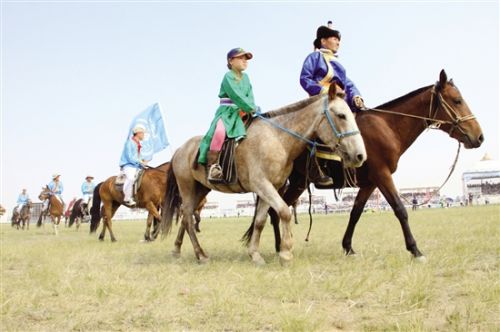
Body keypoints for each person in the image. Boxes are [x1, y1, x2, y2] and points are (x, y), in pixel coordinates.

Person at [299, 22, 366, 186]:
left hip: (338, 102)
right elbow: (305, 79)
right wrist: (325, 91)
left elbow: (348, 84)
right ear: (323, 41)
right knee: (315, 128)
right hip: (320, 101)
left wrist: (356, 96)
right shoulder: (314, 57)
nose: (338, 42)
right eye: (334, 38)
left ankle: (351, 165)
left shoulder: (339, 65)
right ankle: (315, 168)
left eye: (338, 40)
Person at [198, 47, 257, 181]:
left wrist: (253, 108)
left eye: (246, 59)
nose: (245, 61)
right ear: (231, 61)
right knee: (219, 132)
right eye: (241, 58)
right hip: (228, 113)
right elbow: (236, 95)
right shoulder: (228, 76)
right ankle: (213, 166)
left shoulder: (246, 77)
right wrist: (249, 107)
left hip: (244, 111)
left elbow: (250, 95)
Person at [119, 124, 148, 206]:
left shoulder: (138, 144)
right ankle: (127, 198)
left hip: (136, 165)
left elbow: (138, 156)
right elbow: (130, 157)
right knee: (131, 178)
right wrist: (140, 162)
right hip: (128, 165)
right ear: (138, 133)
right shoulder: (129, 143)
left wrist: (143, 161)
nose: (143, 135)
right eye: (142, 133)